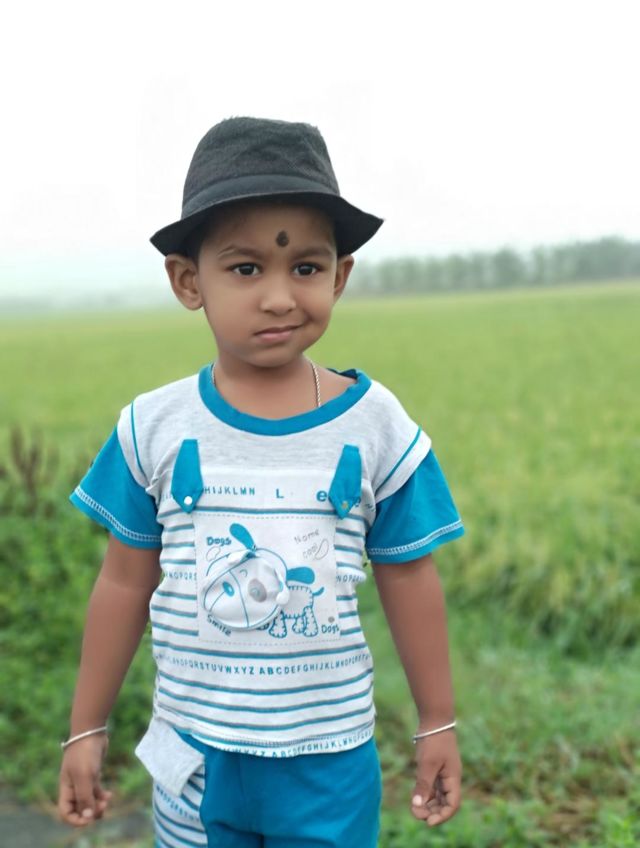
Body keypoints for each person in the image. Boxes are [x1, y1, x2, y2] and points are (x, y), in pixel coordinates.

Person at [57, 116, 466, 848]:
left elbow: (409, 574)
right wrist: (86, 727)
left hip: (327, 762)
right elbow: (123, 581)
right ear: (189, 281)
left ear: (339, 276)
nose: (280, 297)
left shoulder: (376, 425)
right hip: (192, 756)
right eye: (246, 269)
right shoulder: (153, 427)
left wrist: (437, 721)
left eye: (305, 268)